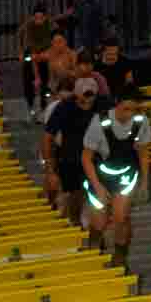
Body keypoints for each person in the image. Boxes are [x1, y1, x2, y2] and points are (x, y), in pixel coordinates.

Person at [81, 91, 151, 260]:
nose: (129, 114)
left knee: (121, 217)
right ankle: (94, 247)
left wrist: (145, 182)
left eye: (134, 110)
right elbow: (86, 158)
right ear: (117, 104)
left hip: (125, 175)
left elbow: (144, 154)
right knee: (99, 221)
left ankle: (120, 256)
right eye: (125, 109)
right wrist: (98, 187)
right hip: (100, 175)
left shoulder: (141, 121)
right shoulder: (99, 122)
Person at [40, 75, 99, 218]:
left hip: (91, 156)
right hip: (65, 155)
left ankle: (76, 218)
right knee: (68, 191)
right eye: (84, 95)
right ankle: (56, 208)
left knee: (83, 193)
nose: (87, 101)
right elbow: (47, 138)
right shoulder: (61, 108)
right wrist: (50, 168)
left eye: (91, 95)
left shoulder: (102, 105)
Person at [18, 1, 57, 110]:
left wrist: (50, 51)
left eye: (41, 18)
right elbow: (20, 34)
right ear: (33, 17)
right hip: (32, 52)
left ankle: (44, 104)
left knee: (46, 79)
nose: (38, 20)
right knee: (28, 77)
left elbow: (58, 37)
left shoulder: (50, 23)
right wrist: (21, 51)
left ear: (45, 17)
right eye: (36, 18)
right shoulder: (29, 24)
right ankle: (30, 104)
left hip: (46, 52)